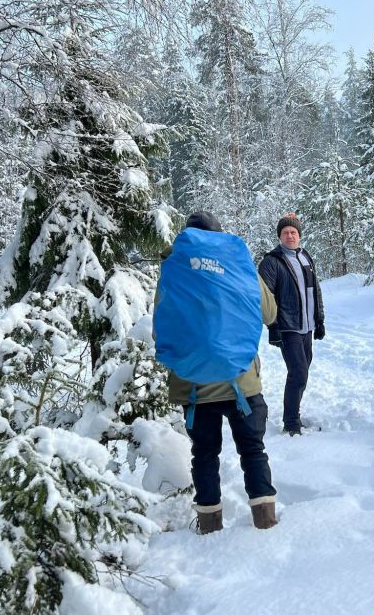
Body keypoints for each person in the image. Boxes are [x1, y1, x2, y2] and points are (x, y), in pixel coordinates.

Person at [159, 211, 279, 535]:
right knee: (253, 450)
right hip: (242, 381)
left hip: (194, 386)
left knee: (204, 455)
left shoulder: (175, 267)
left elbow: (162, 326)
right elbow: (269, 313)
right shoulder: (237, 263)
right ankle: (265, 521)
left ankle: (210, 526)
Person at [258, 213, 325, 436]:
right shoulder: (272, 262)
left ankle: (293, 416)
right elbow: (264, 296)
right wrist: (273, 326)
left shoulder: (305, 256)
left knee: (303, 371)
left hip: (307, 326)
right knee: (298, 373)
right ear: (279, 236)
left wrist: (320, 319)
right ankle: (291, 423)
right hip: (288, 327)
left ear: (299, 235)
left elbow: (315, 291)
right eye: (285, 232)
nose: (290, 235)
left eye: (293, 232)